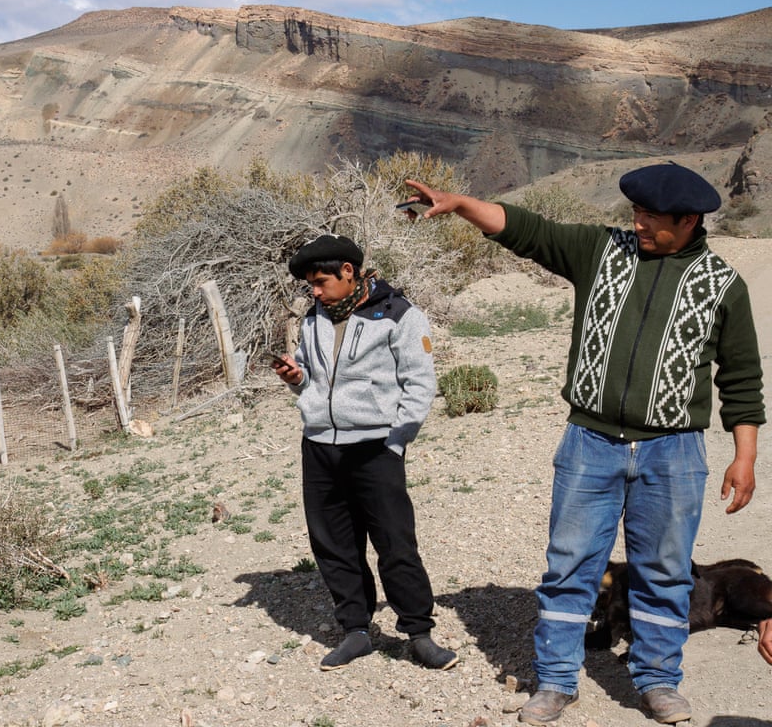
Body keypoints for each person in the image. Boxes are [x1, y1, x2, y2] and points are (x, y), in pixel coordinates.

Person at [403, 164, 765, 725]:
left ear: (689, 221)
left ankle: (658, 681)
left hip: (674, 451)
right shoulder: (601, 252)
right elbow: (527, 230)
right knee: (570, 566)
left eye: (650, 217)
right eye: (635, 213)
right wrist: (461, 203)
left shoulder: (723, 287)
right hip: (589, 442)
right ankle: (555, 681)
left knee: (665, 571)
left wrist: (744, 456)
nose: (638, 224)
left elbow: (741, 379)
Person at [270, 233, 458, 672]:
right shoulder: (314, 317)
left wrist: (395, 442)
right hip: (319, 446)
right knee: (333, 544)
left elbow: (420, 384)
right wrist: (296, 379)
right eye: (309, 285)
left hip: (376, 447)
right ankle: (356, 631)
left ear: (348, 272)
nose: (314, 292)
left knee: (395, 542)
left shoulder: (400, 315)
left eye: (320, 281)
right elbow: (314, 379)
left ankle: (419, 633)